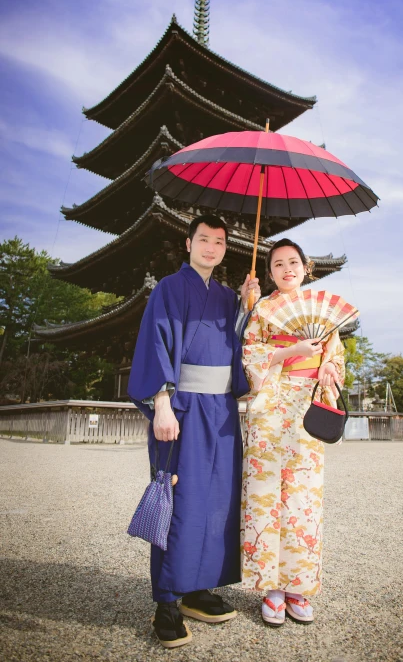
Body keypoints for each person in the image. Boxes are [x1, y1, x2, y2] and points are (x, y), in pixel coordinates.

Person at [128, 214, 260, 649]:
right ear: (188, 244)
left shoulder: (225, 296)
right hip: (181, 407)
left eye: (219, 241)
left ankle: (199, 586)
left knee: (218, 500)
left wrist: (246, 307)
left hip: (221, 410)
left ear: (225, 248)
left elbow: (237, 350)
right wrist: (161, 403)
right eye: (203, 239)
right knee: (179, 499)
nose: (211, 247)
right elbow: (156, 343)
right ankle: (166, 601)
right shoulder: (169, 288)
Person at [241, 238, 345, 626]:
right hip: (270, 405)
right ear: (269, 273)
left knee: (302, 497)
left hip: (306, 406)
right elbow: (250, 355)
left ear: (306, 267)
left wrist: (329, 368)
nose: (287, 269)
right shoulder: (263, 309)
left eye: (293, 262)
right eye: (278, 264)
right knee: (265, 494)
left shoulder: (322, 312)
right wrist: (292, 349)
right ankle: (270, 586)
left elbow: (334, 356)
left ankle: (298, 584)